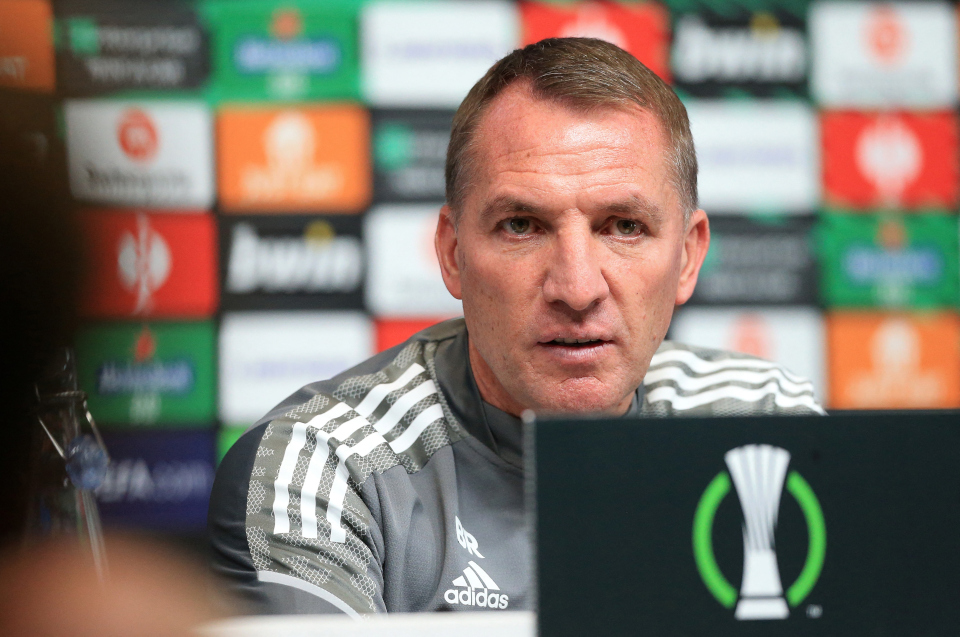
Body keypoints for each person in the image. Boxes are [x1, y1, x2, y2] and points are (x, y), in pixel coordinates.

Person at [208, 37, 824, 617]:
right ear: (452, 254)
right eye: (522, 226)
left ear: (687, 256)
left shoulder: (765, 424)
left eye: (624, 226)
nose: (578, 288)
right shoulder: (323, 469)